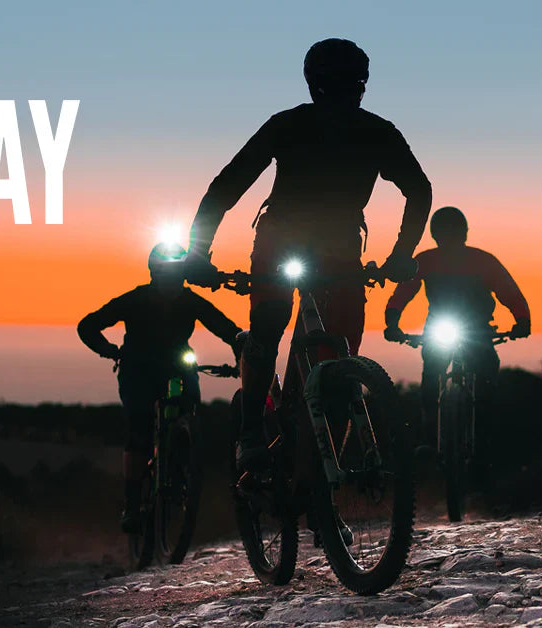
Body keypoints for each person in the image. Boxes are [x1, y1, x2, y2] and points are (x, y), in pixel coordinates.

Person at [183, 38, 433, 472]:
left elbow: (225, 187)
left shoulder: (293, 124)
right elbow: (419, 190)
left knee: (296, 342)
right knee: (322, 352)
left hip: (293, 243)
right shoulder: (372, 131)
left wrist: (198, 254)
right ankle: (253, 434)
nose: (345, 93)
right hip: (320, 248)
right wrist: (400, 254)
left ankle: (301, 465)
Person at [78, 242, 242, 532]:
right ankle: (132, 505)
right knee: (140, 431)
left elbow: (229, 331)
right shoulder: (136, 299)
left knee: (187, 413)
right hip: (137, 371)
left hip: (177, 367)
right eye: (169, 275)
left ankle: (180, 462)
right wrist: (110, 350)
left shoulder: (188, 301)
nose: (173, 282)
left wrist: (240, 355)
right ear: (156, 274)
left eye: (176, 275)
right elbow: (88, 325)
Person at [384, 206, 531, 455]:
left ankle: (481, 442)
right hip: (450, 328)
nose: (449, 237)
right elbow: (403, 292)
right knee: (433, 376)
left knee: (480, 381)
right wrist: (392, 321)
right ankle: (432, 432)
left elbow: (509, 292)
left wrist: (523, 320)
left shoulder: (477, 261)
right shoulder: (432, 260)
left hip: (476, 330)